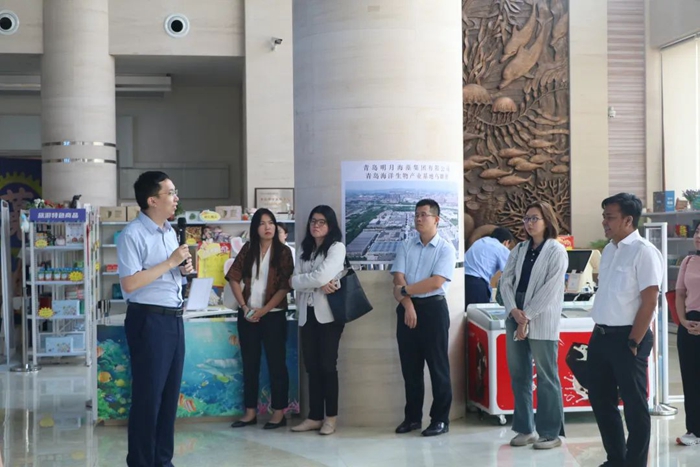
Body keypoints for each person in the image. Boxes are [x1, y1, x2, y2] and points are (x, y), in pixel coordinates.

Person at [117, 171, 194, 467]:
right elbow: (130, 283)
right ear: (152, 200)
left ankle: (163, 460)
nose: (176, 198)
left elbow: (167, 274)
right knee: (148, 398)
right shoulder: (132, 234)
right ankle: (140, 462)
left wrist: (181, 269)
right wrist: (170, 262)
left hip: (173, 318)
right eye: (170, 193)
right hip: (148, 320)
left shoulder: (169, 231)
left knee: (169, 396)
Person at [588, 193, 663, 467]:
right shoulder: (609, 249)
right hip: (601, 336)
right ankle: (616, 460)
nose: (604, 222)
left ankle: (635, 463)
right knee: (602, 401)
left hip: (629, 338)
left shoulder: (644, 252)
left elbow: (650, 301)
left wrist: (634, 341)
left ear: (628, 220)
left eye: (610, 217)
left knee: (634, 406)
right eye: (604, 216)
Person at [499, 201, 568, 450]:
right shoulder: (519, 249)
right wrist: (513, 311)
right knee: (520, 375)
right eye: (526, 218)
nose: (529, 223)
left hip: (541, 316)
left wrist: (526, 316)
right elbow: (505, 281)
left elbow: (551, 289)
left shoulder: (556, 250)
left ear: (547, 221)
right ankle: (525, 429)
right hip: (515, 313)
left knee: (547, 376)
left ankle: (550, 433)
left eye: (534, 218)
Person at [392, 199, 456, 437]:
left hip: (433, 310)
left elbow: (436, 282)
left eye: (424, 215)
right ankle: (412, 418)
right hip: (407, 309)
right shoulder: (406, 245)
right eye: (416, 214)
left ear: (436, 219)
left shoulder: (445, 249)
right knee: (410, 368)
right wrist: (408, 304)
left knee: (438, 368)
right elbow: (398, 278)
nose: (418, 219)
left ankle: (440, 420)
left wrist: (405, 291)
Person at [226, 208, 294, 430]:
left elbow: (284, 286)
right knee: (250, 364)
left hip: (273, 316)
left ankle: (279, 413)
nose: (268, 227)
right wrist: (245, 307)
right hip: (247, 316)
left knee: (277, 364)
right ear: (255, 228)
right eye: (262, 223)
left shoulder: (283, 252)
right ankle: (250, 412)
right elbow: (233, 278)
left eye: (271, 223)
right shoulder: (248, 249)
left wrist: (263, 311)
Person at [290, 205, 346, 435]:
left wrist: (312, 280)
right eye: (313, 221)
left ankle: (330, 418)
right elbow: (293, 281)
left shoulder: (336, 247)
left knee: (327, 366)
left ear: (330, 225)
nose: (316, 225)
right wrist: (316, 282)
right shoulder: (304, 248)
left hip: (329, 316)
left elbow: (321, 276)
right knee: (312, 367)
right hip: (307, 314)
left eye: (321, 222)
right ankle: (314, 416)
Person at [673, 223, 700, 446]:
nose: (699, 236)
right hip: (689, 322)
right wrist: (682, 320)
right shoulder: (688, 261)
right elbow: (680, 294)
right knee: (690, 379)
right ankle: (694, 430)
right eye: (698, 232)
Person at [464, 227, 514, 310]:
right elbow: (510, 272)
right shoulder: (501, 248)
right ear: (506, 242)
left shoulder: (480, 241)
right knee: (479, 315)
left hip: (462, 282)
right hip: (477, 285)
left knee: (465, 314)